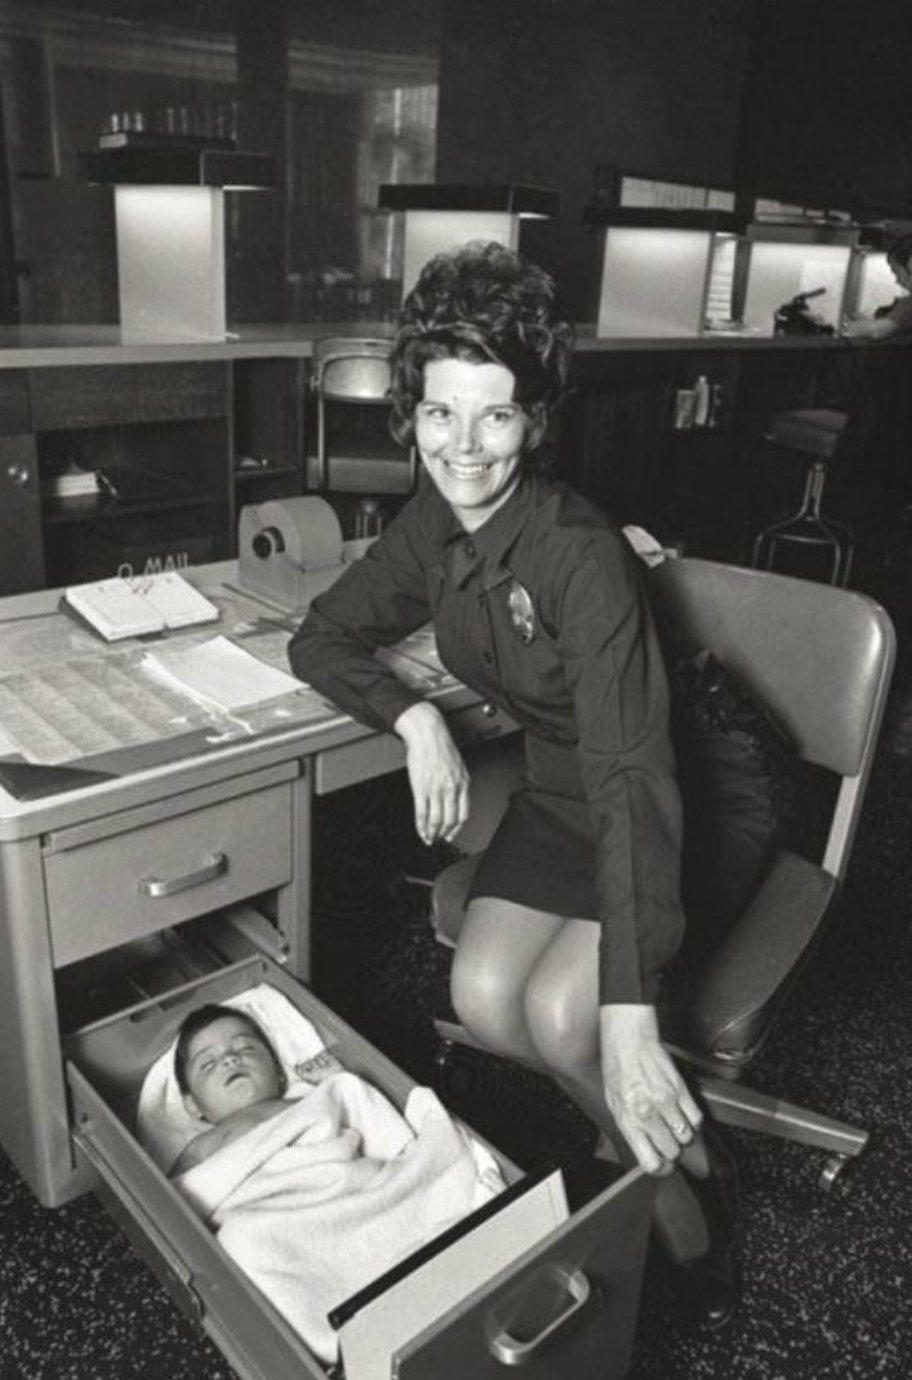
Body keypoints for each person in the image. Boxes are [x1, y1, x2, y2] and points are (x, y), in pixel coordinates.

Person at [288, 240, 738, 1327]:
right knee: (486, 1001)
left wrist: (634, 1018)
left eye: (496, 417)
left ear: (535, 420)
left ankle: (683, 1203)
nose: (466, 447)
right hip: (558, 791)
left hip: (678, 791)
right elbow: (323, 636)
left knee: (566, 1010)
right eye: (441, 414)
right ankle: (660, 1131)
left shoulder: (582, 554)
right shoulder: (436, 519)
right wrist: (413, 721)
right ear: (412, 414)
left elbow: (637, 775)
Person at [171, 1004, 291, 1175]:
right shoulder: (201, 1147)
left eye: (245, 1048)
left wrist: (334, 1074)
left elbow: (339, 1099)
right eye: (207, 1064)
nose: (229, 1059)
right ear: (193, 1105)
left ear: (279, 1072)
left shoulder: (305, 1102)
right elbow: (167, 1192)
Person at [842, 233, 912, 340]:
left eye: (897, 272)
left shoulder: (909, 305)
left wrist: (847, 326)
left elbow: (876, 331)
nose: (897, 281)